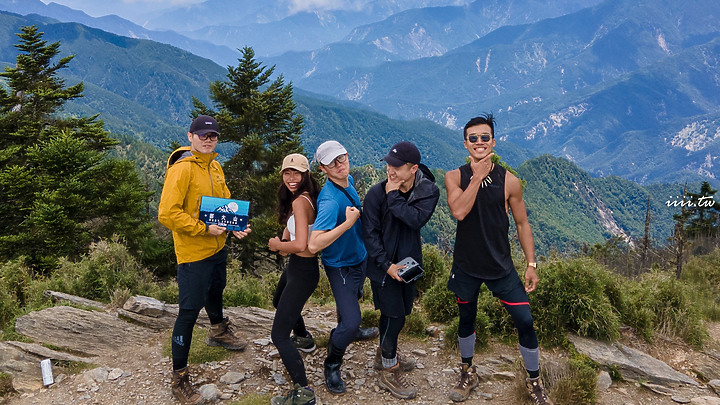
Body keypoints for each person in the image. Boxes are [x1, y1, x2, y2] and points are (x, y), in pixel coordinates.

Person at [444, 114, 553, 405]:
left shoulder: (510, 181)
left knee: (525, 321)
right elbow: (459, 212)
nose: (479, 143)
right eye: (473, 138)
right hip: (466, 266)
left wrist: (531, 264)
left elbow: (522, 224)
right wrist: (478, 177)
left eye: (484, 138)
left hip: (500, 267)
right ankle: (467, 370)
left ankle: (534, 382)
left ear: (493, 141)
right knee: (466, 319)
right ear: (465, 143)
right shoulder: (454, 177)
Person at [158, 115, 251, 405]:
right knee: (188, 311)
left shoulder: (215, 166)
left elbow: (223, 203)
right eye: (202, 135)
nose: (208, 139)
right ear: (190, 136)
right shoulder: (182, 169)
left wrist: (235, 226)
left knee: (216, 290)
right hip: (193, 253)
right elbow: (167, 213)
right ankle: (179, 379)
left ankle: (218, 331)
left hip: (216, 247)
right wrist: (203, 229)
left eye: (212, 135)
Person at [363, 141, 440, 399]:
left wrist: (393, 194)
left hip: (408, 266)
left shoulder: (428, 191)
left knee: (400, 312)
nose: (390, 171)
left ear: (414, 168)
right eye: (388, 164)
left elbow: (415, 219)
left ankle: (385, 352)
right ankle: (388, 367)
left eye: (397, 166)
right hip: (382, 267)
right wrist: (386, 266)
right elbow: (370, 236)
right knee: (393, 315)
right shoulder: (375, 194)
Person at [307, 140, 368, 394]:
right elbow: (313, 244)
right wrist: (347, 223)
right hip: (340, 266)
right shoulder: (330, 201)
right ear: (323, 168)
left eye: (342, 157)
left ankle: (349, 328)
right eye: (332, 162)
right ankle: (332, 364)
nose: (340, 164)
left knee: (355, 298)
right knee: (352, 321)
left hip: (358, 257)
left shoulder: (348, 181)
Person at [267, 153, 321, 405]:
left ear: (305, 175)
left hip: (303, 269)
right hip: (298, 267)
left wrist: (278, 245)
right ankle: (303, 338)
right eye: (287, 173)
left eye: (297, 173)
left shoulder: (300, 202)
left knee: (278, 335)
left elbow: (301, 244)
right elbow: (297, 231)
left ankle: (304, 391)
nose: (291, 178)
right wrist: (285, 236)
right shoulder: (301, 198)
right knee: (279, 300)